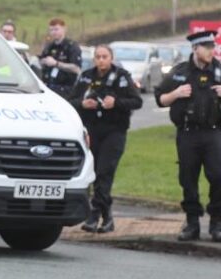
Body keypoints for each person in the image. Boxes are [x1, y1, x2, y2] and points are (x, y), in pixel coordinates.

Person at [154, 29, 221, 241]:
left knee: (218, 177)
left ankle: (216, 223)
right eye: (207, 47)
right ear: (195, 49)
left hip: (214, 133)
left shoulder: (220, 71)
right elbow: (160, 99)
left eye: (213, 47)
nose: (212, 51)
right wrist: (176, 94)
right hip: (188, 134)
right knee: (188, 178)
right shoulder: (180, 72)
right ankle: (192, 223)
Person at [68, 45, 142, 233]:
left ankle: (94, 214)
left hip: (114, 131)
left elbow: (136, 101)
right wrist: (83, 104)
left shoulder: (121, 77)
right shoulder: (86, 76)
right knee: (93, 173)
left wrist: (115, 103)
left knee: (104, 172)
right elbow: (71, 101)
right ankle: (107, 216)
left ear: (111, 58)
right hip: (92, 130)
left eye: (105, 56)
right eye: (98, 57)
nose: (101, 60)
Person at [39, 18, 82, 97]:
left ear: (64, 29)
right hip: (48, 87)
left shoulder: (72, 46)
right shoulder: (49, 46)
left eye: (56, 29)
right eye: (51, 30)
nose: (53, 32)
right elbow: (40, 61)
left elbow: (76, 69)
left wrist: (56, 63)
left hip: (65, 89)